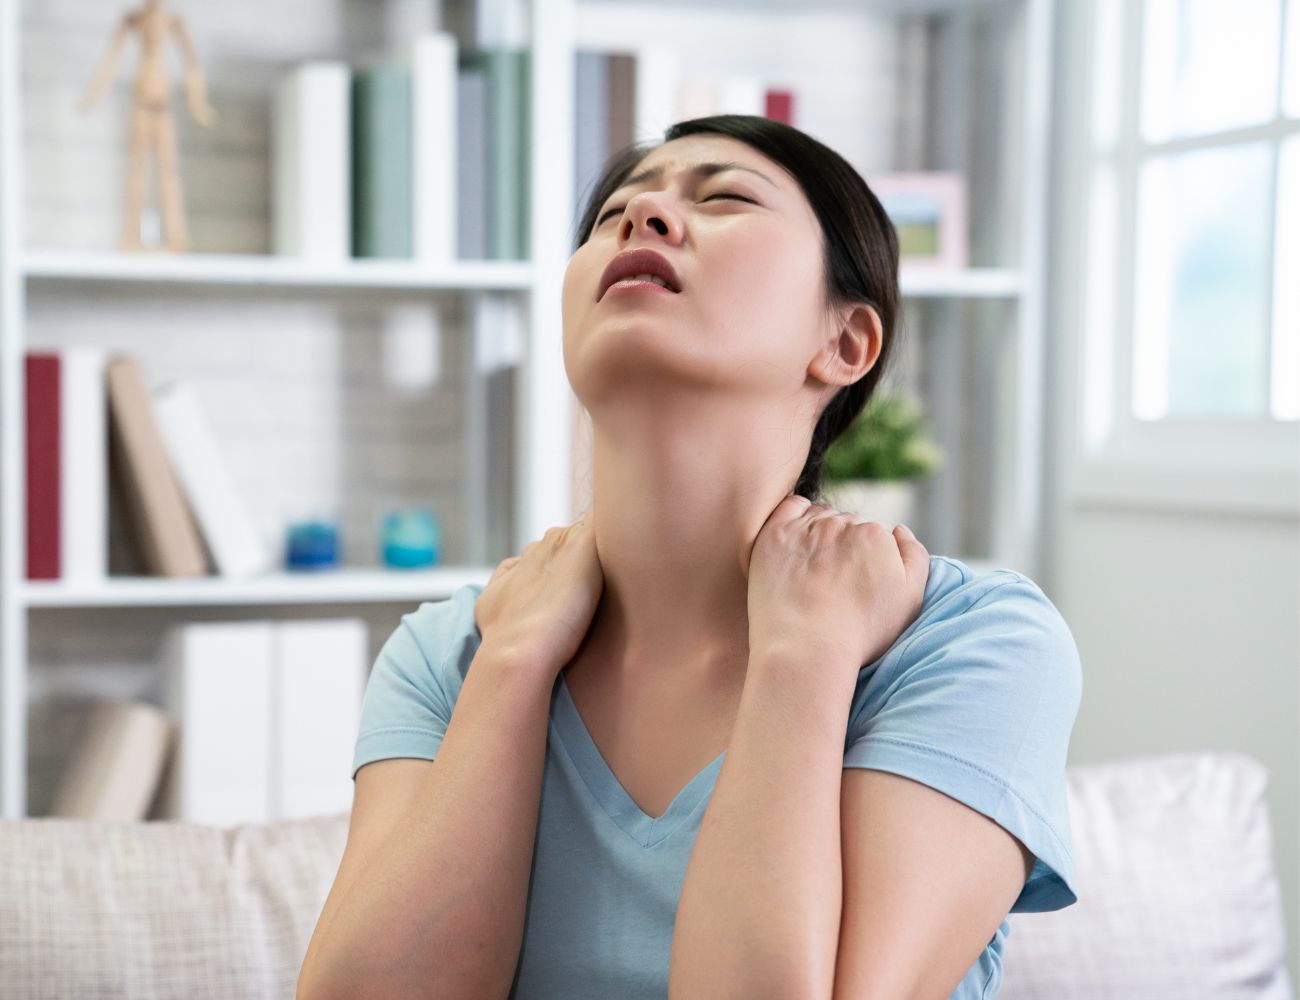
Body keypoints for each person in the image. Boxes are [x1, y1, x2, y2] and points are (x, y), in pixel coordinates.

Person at [297, 114, 1082, 1000]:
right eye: (612, 216)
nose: (644, 217)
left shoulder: (971, 644)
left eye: (725, 199)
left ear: (846, 343)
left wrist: (805, 657)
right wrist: (512, 665)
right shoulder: (450, 654)